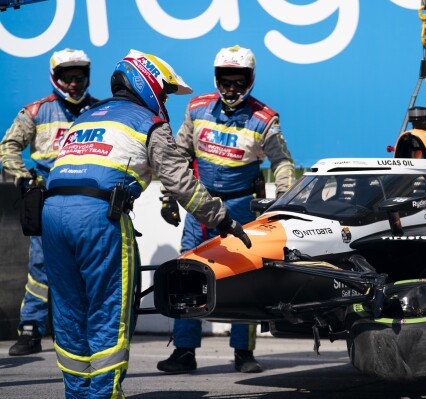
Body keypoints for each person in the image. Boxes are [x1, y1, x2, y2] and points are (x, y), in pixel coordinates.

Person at [41, 49, 251, 399]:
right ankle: (105, 394)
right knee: (110, 311)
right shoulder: (148, 122)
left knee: (68, 311)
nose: (166, 99)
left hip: (51, 216)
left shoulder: (87, 117)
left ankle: (77, 393)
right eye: (165, 91)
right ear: (149, 83)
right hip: (97, 218)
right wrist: (223, 219)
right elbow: (181, 183)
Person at [157, 45, 295, 374]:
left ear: (250, 81)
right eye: (225, 81)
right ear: (216, 79)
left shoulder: (265, 117)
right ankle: (184, 350)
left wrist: (287, 200)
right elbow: (176, 157)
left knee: (243, 276)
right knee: (186, 276)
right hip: (200, 204)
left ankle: (243, 352)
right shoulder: (197, 107)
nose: (231, 89)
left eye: (239, 82)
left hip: (242, 207)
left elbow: (283, 162)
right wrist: (167, 196)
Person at [0, 48, 97, 356]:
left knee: (86, 269)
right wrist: (24, 178)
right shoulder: (36, 111)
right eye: (67, 78)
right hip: (48, 201)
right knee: (41, 267)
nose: (74, 84)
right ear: (56, 78)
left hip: (89, 202)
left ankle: (82, 330)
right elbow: (8, 147)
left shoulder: (101, 110)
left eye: (79, 77)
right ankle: (30, 330)